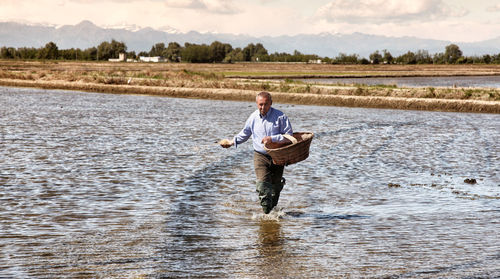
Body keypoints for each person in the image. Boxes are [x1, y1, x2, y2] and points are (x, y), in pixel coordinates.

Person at [220, 91, 293, 214]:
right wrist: (231, 142)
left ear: (271, 103)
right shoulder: (253, 117)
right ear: (256, 104)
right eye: (260, 104)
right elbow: (245, 133)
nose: (263, 107)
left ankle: (272, 211)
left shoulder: (280, 117)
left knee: (275, 188)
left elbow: (289, 136)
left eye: (265, 104)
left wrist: (273, 138)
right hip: (260, 156)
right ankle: (266, 215)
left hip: (278, 156)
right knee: (263, 186)